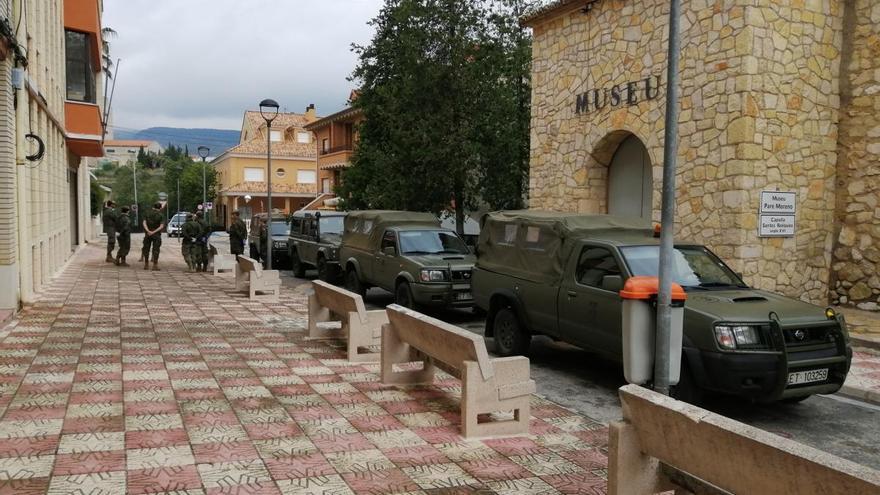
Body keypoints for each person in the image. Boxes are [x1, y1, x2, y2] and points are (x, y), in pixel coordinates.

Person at [141, 202, 165, 271]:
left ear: (153, 207)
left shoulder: (147, 213)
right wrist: (153, 232)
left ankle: (146, 264)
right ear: (160, 208)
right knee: (156, 250)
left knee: (146, 249)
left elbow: (144, 223)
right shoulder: (161, 215)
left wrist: (148, 231)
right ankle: (155, 265)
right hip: (156, 235)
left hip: (147, 234)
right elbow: (161, 226)